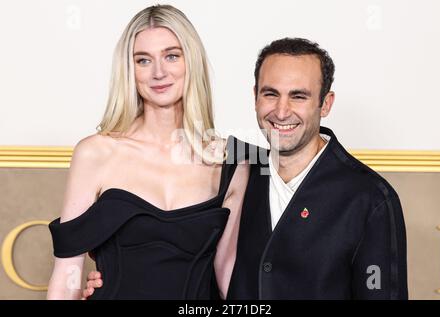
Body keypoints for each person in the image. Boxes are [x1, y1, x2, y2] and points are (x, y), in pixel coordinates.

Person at [83, 37, 408, 300]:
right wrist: (114, 281)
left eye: (298, 97)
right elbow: (185, 254)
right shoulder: (234, 166)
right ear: (255, 97)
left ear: (326, 103)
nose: (282, 111)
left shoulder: (369, 198)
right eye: (270, 94)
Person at [47, 4, 249, 300]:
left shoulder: (233, 162)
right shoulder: (95, 153)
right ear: (129, 70)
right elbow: (67, 276)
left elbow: (229, 277)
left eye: (171, 56)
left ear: (191, 61)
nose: (158, 72)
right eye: (143, 60)